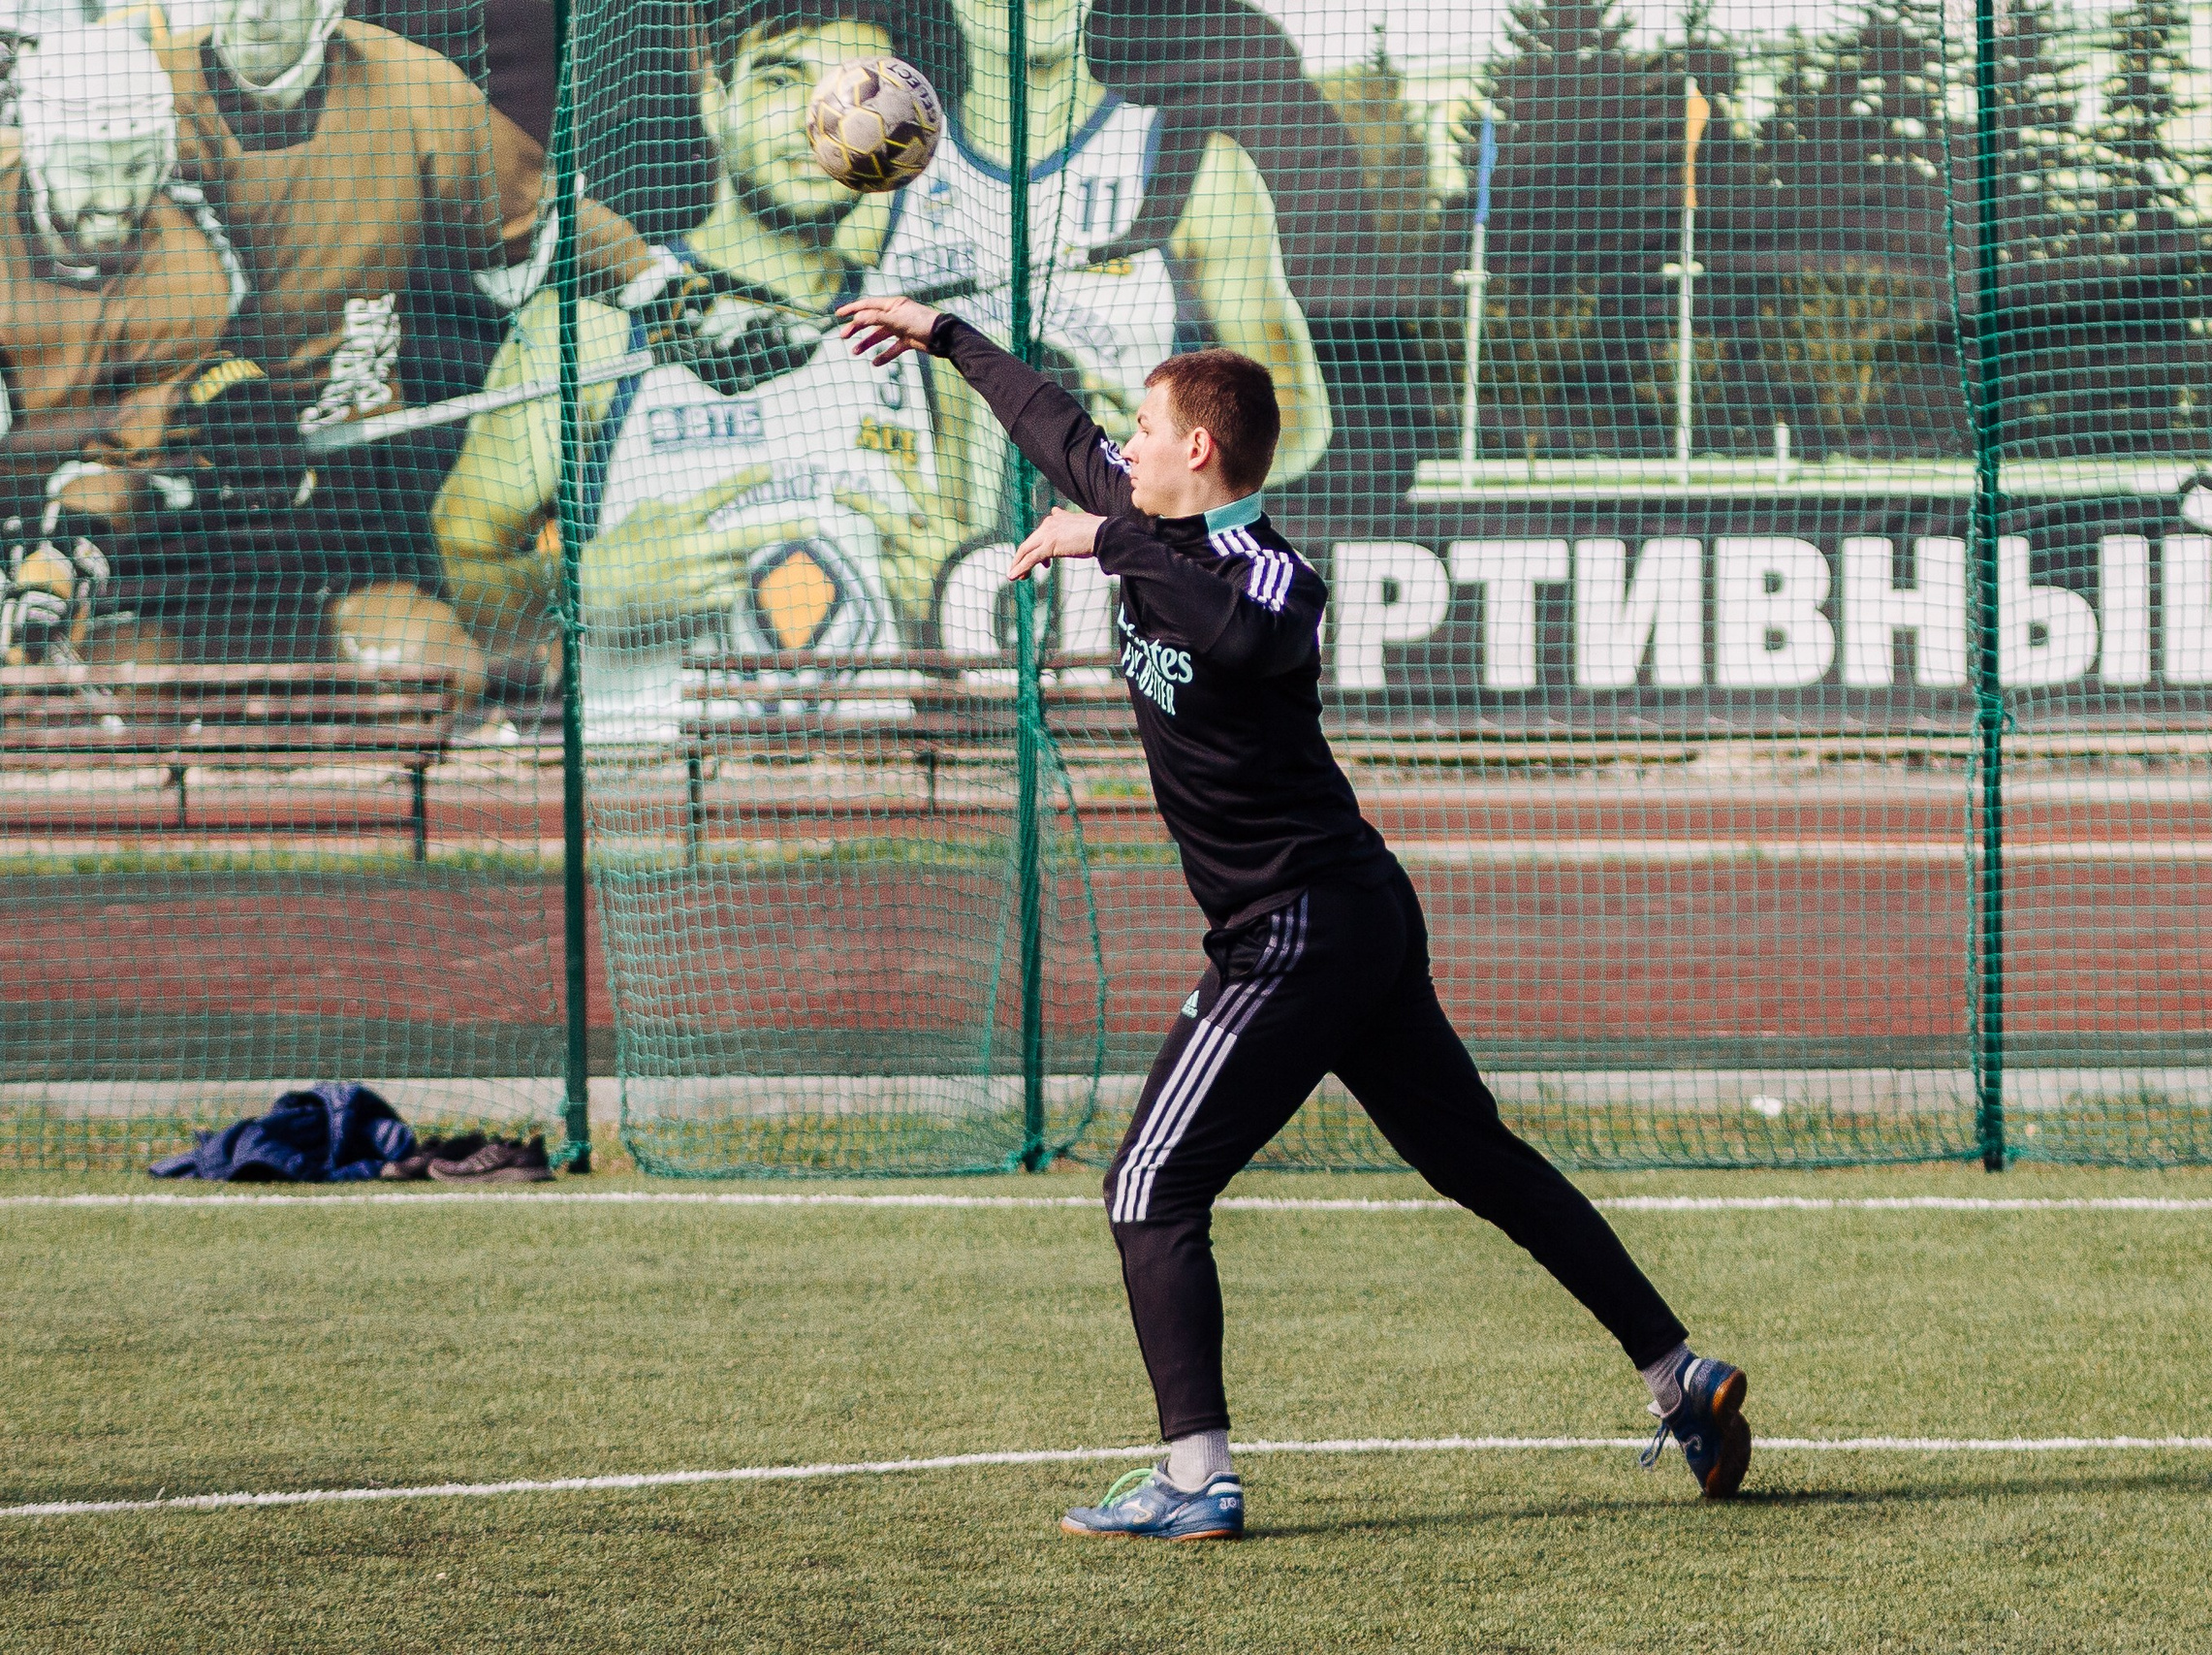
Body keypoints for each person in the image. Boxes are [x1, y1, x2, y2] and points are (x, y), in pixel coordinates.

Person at [840, 291, 1754, 1538]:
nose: (1122, 447)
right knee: (1472, 1159)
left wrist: (1101, 545)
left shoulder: (1270, 571)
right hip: (1337, 922)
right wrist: (947, 336)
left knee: (1149, 1186)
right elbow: (1050, 428)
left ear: (1199, 450)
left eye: (1145, 431)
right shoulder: (1134, 509)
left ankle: (1194, 1479)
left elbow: (1243, 637)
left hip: (1297, 929)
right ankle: (1679, 1378)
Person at [429, 0, 969, 742]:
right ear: (715, 100)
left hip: (873, 816)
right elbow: (460, 576)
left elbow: (983, 613)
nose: (823, 122)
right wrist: (576, 585)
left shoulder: (933, 349)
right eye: (784, 81)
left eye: (861, 94)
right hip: (655, 817)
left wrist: (958, 587)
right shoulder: (589, 331)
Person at [95, 0, 663, 695]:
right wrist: (217, 391)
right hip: (171, 483)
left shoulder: (411, 89)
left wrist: (670, 292)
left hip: (345, 477)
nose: (255, 11)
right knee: (118, 696)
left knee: (432, 682)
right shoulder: (136, 94)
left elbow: (544, 218)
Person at [878, 0, 1330, 537]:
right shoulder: (883, 181)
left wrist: (1166, 469)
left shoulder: (1188, 165)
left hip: (1127, 576)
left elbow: (1298, 419)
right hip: (948, 584)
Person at [0, 24, 248, 667]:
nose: (114, 199)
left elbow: (126, 460)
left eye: (137, 167)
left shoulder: (189, 280)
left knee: (132, 676)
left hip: (88, 507)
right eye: (88, 169)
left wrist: (54, 568)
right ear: (42, 155)